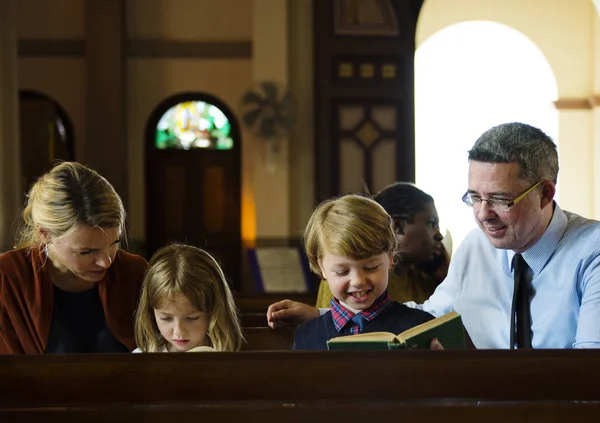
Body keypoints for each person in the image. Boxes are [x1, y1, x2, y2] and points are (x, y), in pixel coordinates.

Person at [268, 122, 600, 349]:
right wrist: (323, 315)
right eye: (474, 197)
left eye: (500, 199)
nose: (483, 214)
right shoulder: (476, 247)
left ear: (545, 194)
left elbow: (589, 367)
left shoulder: (592, 251)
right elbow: (429, 315)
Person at [0, 162, 148, 354]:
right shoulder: (7, 278)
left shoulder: (135, 273)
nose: (106, 262)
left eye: (113, 244)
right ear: (45, 234)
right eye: (87, 252)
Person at [294, 194, 436, 350]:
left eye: (371, 267)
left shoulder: (422, 326)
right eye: (342, 271)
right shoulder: (306, 336)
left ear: (390, 257)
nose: (358, 281)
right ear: (321, 267)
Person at [315, 182, 448, 308]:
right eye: (431, 224)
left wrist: (445, 280)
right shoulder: (345, 279)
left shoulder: (424, 281)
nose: (439, 235)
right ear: (397, 227)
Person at [134, 243, 243, 352]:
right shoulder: (144, 356)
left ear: (213, 312)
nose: (179, 332)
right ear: (151, 314)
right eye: (166, 318)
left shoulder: (228, 360)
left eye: (192, 318)